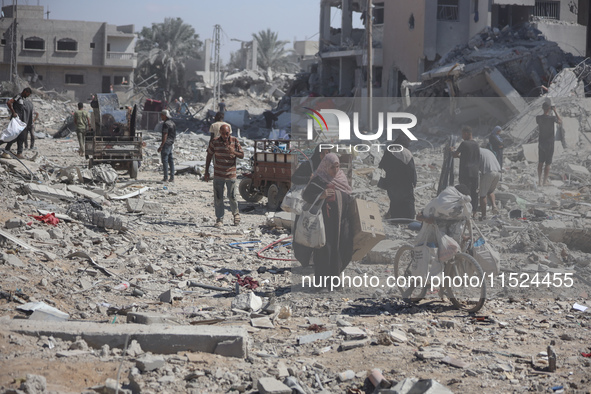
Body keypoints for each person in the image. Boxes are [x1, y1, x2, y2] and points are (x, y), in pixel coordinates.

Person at [294, 153, 354, 278]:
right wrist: (321, 195)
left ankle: (334, 281)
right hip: (323, 225)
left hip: (340, 223)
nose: (335, 170)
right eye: (332, 167)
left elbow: (348, 197)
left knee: (340, 250)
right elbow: (306, 196)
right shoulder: (319, 179)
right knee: (323, 252)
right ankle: (321, 284)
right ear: (326, 167)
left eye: (337, 167)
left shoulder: (342, 179)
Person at [204, 124, 244, 228]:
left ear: (229, 132)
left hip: (231, 174)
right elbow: (209, 155)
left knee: (232, 196)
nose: (225, 135)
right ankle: (219, 219)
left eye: (226, 133)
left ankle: (236, 215)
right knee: (218, 198)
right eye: (222, 133)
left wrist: (233, 152)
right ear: (220, 133)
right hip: (218, 174)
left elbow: (242, 155)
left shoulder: (234, 141)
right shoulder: (215, 142)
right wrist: (206, 171)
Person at [379, 134, 417, 219]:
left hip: (391, 181)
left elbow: (382, 165)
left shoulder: (389, 150)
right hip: (405, 183)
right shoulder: (406, 153)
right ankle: (409, 219)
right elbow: (411, 169)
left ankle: (395, 218)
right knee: (408, 200)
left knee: (394, 200)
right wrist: (414, 181)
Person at [452, 126, 480, 217]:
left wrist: (451, 151)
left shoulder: (464, 144)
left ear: (467, 133)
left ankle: (465, 212)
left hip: (466, 172)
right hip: (475, 172)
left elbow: (455, 154)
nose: (462, 136)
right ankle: (474, 212)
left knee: (465, 192)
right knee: (474, 192)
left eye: (463, 134)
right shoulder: (476, 144)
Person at [536, 99, 562, 186]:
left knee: (540, 162)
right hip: (550, 143)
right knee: (548, 163)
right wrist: (555, 111)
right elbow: (560, 121)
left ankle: (539, 181)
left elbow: (540, 121)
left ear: (543, 108)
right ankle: (545, 181)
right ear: (549, 109)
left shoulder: (538, 118)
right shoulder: (552, 118)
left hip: (541, 143)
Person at [3, 87, 33, 159]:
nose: (28, 96)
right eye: (28, 94)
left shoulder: (24, 99)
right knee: (13, 136)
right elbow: (9, 102)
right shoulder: (18, 96)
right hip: (16, 121)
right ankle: (6, 151)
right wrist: (13, 112)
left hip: (21, 122)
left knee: (21, 137)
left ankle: (19, 153)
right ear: (25, 92)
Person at [478, 148, 501, 220]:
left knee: (482, 195)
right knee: (490, 191)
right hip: (498, 172)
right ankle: (494, 206)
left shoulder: (476, 152)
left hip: (488, 172)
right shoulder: (486, 151)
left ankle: (484, 215)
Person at [158, 110, 176, 183]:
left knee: (165, 160)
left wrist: (161, 146)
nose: (160, 116)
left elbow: (165, 135)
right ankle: (172, 177)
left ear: (164, 115)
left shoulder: (166, 124)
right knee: (170, 161)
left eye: (161, 115)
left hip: (166, 144)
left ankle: (165, 178)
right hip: (171, 144)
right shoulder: (172, 123)